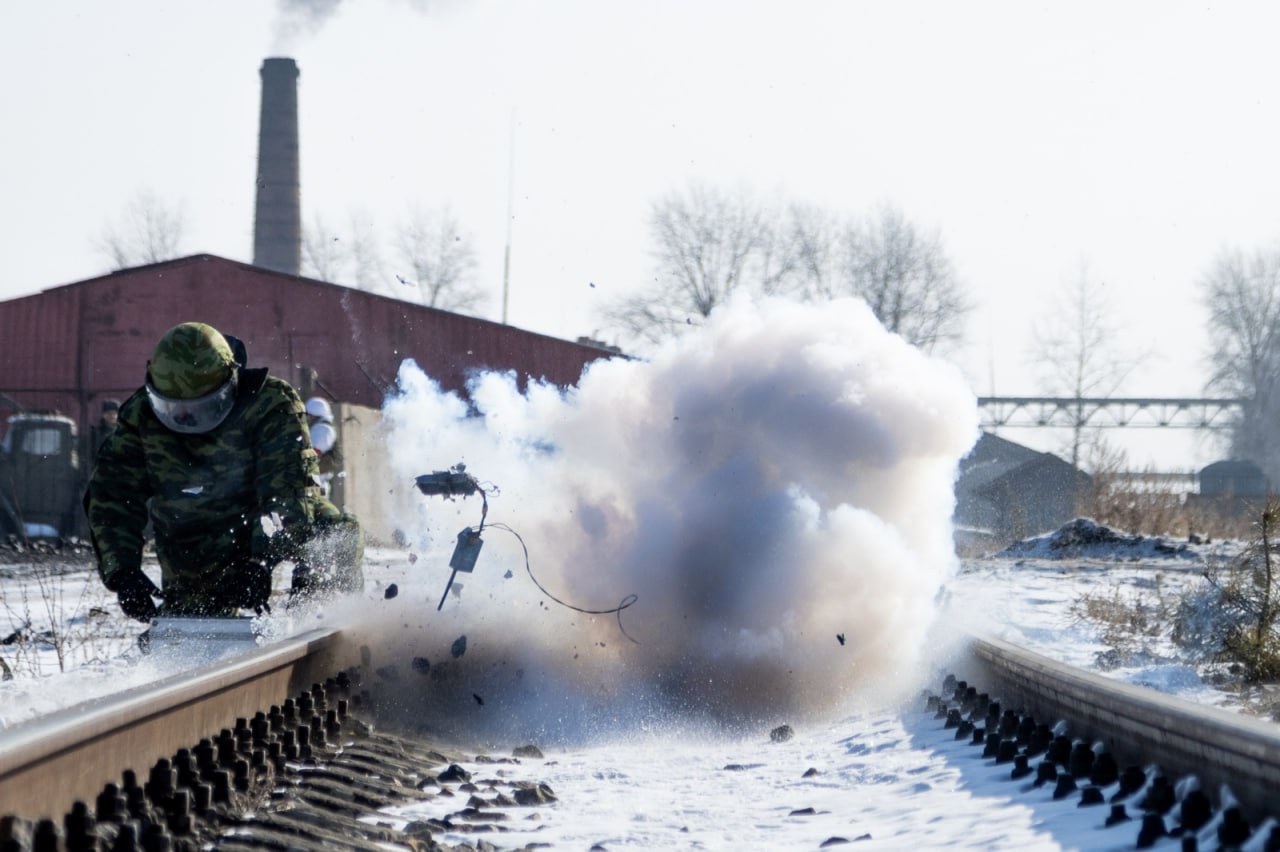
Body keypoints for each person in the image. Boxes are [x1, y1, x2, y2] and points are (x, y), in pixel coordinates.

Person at [84, 322, 363, 621]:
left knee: (334, 535)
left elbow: (287, 491)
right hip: (194, 533)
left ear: (230, 384)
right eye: (173, 407)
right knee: (193, 626)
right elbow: (112, 495)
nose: (185, 416)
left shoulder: (272, 404)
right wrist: (123, 571)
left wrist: (262, 560)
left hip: (271, 517)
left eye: (199, 406)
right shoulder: (140, 415)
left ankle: (323, 617)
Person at [304, 397, 343, 500]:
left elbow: (314, 453)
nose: (307, 418)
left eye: (309, 415)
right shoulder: (321, 427)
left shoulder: (322, 429)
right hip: (316, 480)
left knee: (314, 505)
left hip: (317, 481)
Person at [87, 399, 120, 466]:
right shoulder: (95, 433)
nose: (112, 416)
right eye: (109, 413)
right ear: (103, 414)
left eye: (114, 413)